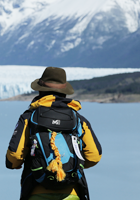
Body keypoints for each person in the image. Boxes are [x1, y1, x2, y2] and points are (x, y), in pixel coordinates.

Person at [6, 67, 102, 200]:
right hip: (72, 193)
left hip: (36, 191)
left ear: (40, 90)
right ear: (64, 92)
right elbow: (94, 156)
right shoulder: (78, 119)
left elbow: (14, 157)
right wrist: (71, 166)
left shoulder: (29, 117)